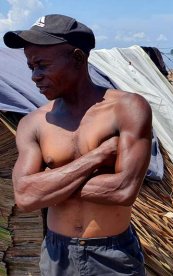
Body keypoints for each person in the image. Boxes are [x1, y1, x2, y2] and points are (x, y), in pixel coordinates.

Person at [4, 14, 151, 275]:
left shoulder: (127, 108)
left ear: (78, 58)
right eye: (30, 67)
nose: (35, 76)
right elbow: (25, 197)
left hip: (112, 254)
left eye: (42, 65)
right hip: (56, 254)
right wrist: (97, 157)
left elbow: (123, 190)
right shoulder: (34, 123)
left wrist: (48, 183)